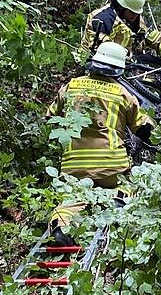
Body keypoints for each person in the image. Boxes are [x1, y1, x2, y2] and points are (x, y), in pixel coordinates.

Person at [46, 42, 154, 246]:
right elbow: (142, 128)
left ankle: (60, 228)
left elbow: (50, 116)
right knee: (127, 185)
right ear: (118, 69)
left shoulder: (72, 86)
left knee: (71, 199)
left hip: (73, 164)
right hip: (109, 164)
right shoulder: (122, 94)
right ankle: (117, 200)